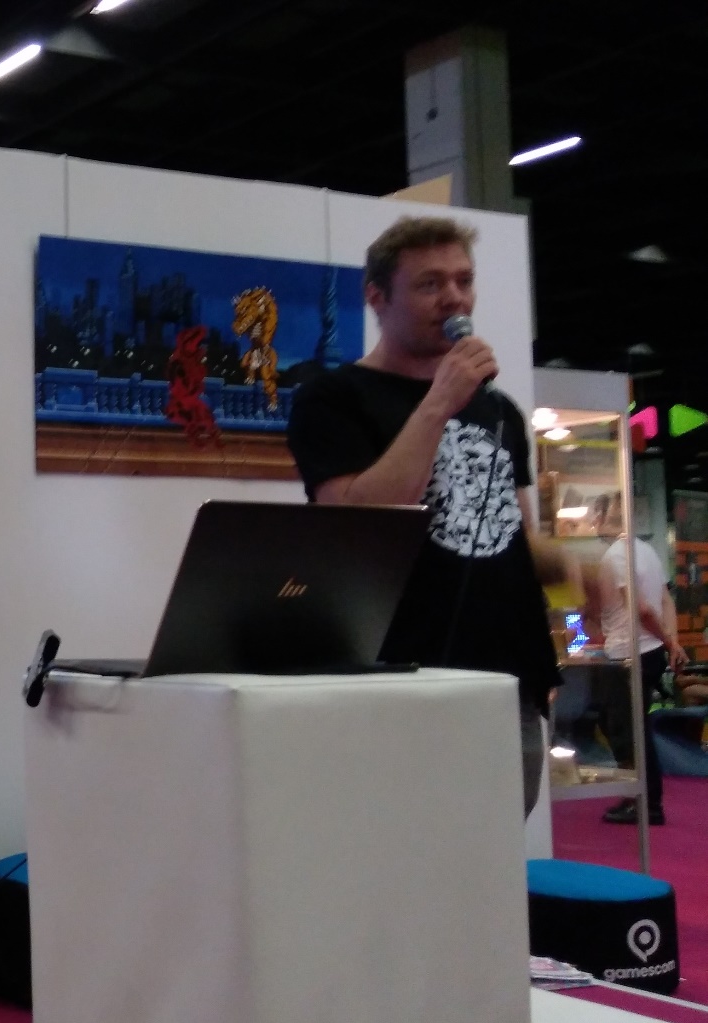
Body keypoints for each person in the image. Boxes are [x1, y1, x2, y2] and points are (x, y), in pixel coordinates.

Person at [286, 216, 561, 814]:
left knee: (492, 857)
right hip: (395, 676)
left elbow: (514, 535)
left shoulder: (500, 411)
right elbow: (356, 522)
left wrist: (579, 569)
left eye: (464, 280)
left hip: (506, 681)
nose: (454, 298)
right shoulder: (332, 399)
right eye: (430, 284)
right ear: (377, 297)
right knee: (399, 850)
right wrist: (438, 403)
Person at [590, 493, 685, 825]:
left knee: (627, 730)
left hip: (629, 654)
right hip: (649, 651)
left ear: (606, 516)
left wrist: (669, 640)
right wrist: (671, 642)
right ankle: (642, 796)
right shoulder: (647, 550)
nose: (592, 522)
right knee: (625, 725)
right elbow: (665, 600)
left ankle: (645, 802)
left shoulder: (616, 556)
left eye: (595, 515)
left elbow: (643, 609)